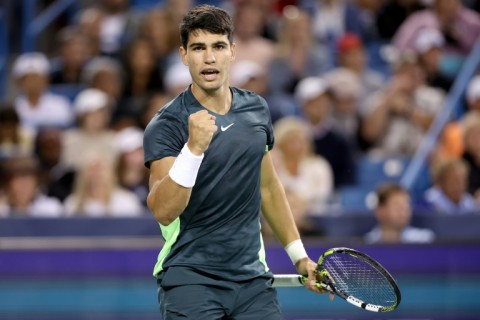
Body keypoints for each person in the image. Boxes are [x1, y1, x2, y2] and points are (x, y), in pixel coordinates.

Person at [143, 5, 329, 319]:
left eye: (218, 47)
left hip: (252, 280)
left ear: (232, 52)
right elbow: (163, 210)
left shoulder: (256, 108)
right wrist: (192, 150)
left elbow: (268, 188)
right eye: (198, 48)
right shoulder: (166, 124)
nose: (209, 57)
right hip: (190, 279)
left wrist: (300, 257)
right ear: (184, 55)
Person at [364, 183, 435, 244]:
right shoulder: (367, 243)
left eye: (406, 206)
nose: (403, 211)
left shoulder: (424, 240)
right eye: (397, 206)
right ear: (380, 211)